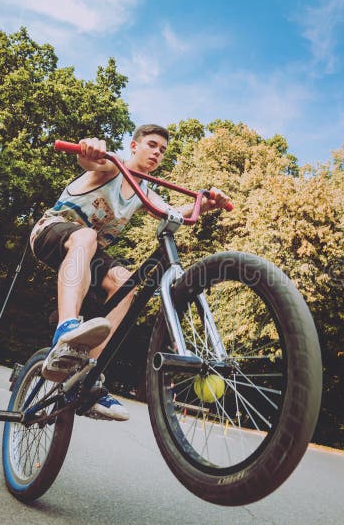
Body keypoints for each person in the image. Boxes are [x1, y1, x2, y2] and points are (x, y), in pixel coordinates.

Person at [29, 124, 230, 421]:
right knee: (86, 236)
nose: (157, 153)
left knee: (125, 282)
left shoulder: (143, 191)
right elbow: (91, 161)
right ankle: (66, 329)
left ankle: (89, 375)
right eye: (151, 145)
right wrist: (89, 147)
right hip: (52, 231)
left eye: (162, 150)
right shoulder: (112, 167)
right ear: (134, 146)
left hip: (89, 253)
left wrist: (206, 205)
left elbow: (172, 212)